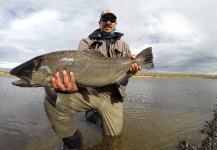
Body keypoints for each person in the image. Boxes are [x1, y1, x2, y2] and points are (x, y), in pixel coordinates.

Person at [44, 9, 142, 150]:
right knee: (52, 100)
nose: (108, 22)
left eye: (112, 19)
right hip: (89, 93)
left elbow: (124, 75)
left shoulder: (124, 45)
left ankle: (94, 116)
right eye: (105, 19)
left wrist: (132, 70)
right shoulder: (86, 42)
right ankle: (73, 144)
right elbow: (77, 71)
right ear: (100, 22)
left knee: (113, 139)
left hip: (114, 96)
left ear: (115, 23)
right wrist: (73, 87)